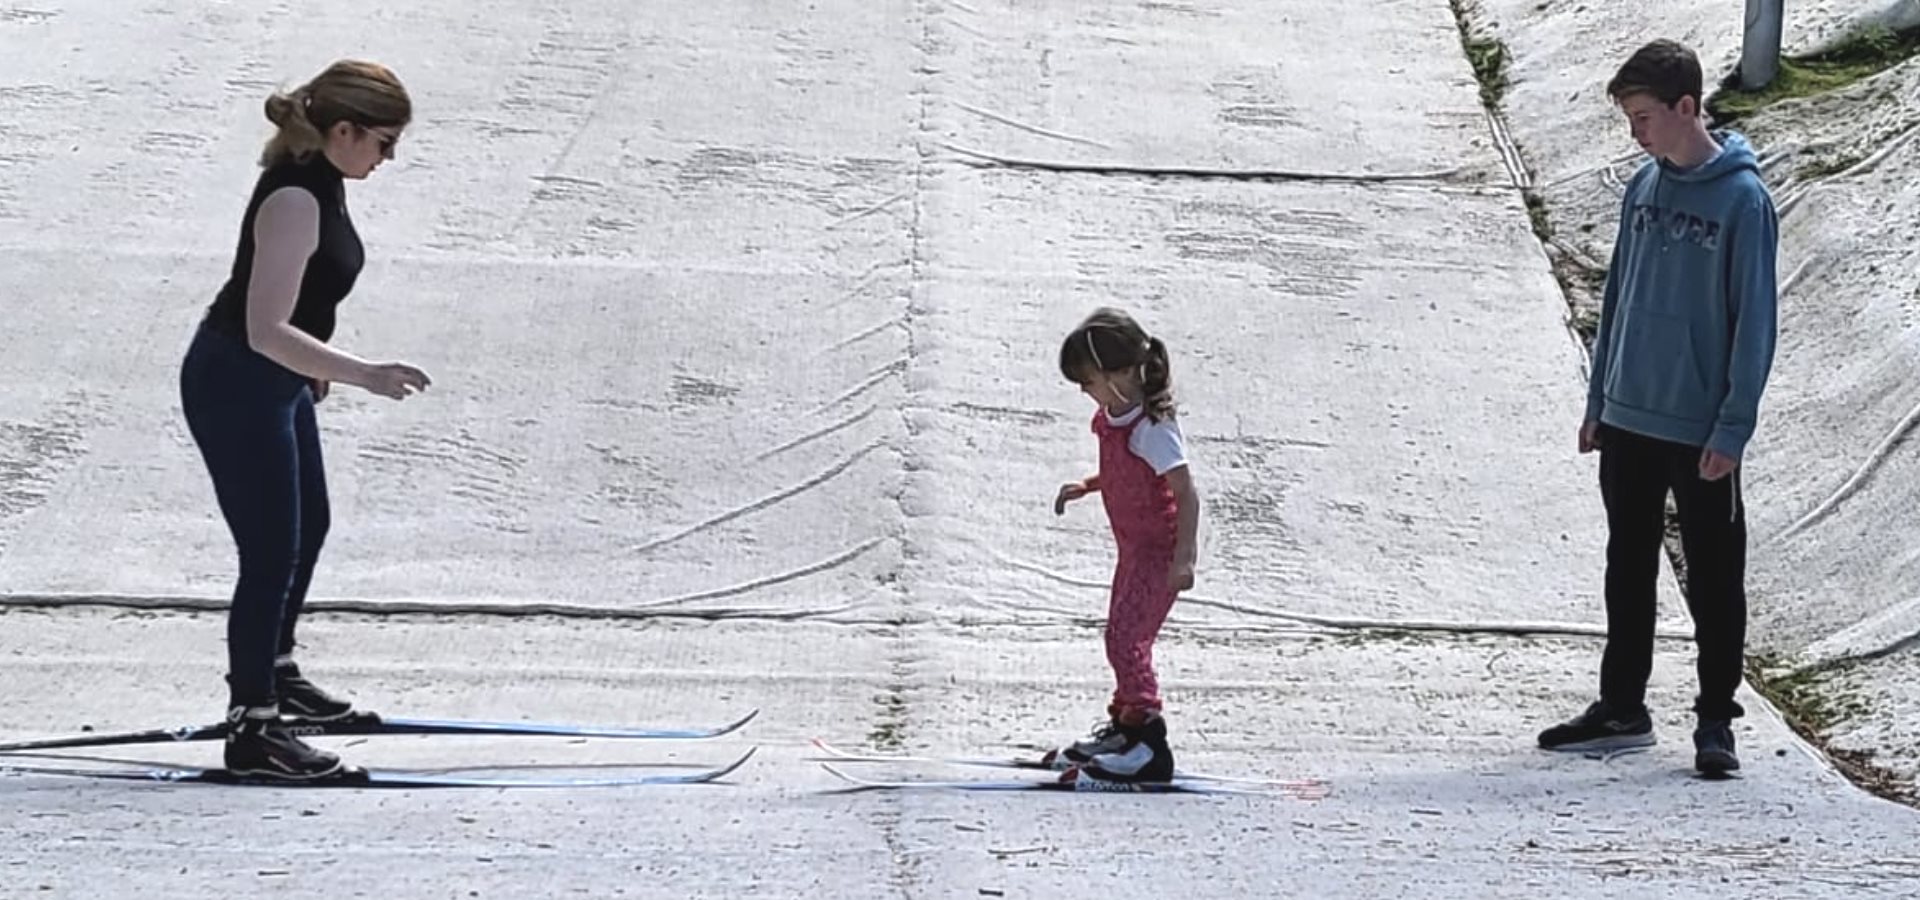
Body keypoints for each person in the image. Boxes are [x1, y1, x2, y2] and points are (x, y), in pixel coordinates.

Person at [179, 60, 432, 780]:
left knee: (306, 527)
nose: (387, 159)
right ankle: (254, 728)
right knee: (268, 554)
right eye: (383, 143)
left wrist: (316, 369)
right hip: (239, 380)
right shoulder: (295, 198)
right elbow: (264, 327)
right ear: (343, 129)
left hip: (278, 381)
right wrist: (365, 374)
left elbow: (298, 312)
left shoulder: (324, 180)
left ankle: (278, 673)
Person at [1537, 39, 1779, 776]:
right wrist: (1598, 396)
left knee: (1712, 575)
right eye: (1628, 120)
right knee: (1627, 565)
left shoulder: (1744, 200)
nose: (1636, 134)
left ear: (1686, 108)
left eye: (1644, 118)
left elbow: (1754, 323)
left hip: (1700, 427)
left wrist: (1733, 427)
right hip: (1629, 416)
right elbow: (1618, 299)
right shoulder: (1644, 188)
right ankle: (1622, 707)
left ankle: (1715, 721)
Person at [1049, 308, 1202, 783]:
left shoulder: (1151, 429)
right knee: (1119, 635)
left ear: (1118, 374)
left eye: (1088, 381)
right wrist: (1089, 485)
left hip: (1160, 554)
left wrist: (1185, 558)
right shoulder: (1112, 416)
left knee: (1126, 641)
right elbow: (1123, 473)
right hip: (1133, 550)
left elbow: (1185, 491)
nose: (1083, 391)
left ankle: (1149, 747)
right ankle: (1125, 728)